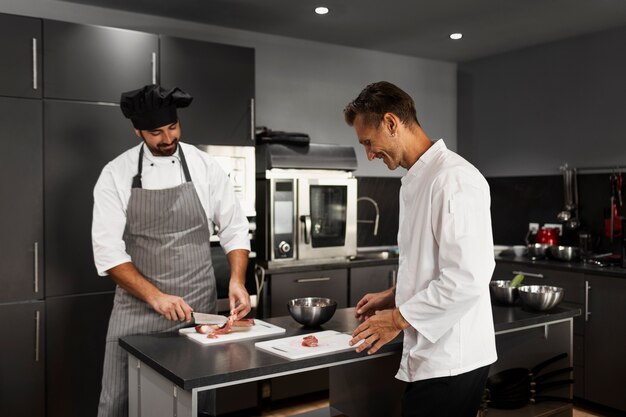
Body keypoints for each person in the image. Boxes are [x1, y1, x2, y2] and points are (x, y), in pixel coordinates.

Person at [92, 84, 251, 417]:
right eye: (155, 132)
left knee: (194, 403)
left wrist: (237, 280)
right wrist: (156, 297)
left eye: (173, 128)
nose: (167, 139)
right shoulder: (116, 174)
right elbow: (108, 253)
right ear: (137, 131)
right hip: (137, 311)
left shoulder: (205, 167)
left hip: (197, 312)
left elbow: (234, 228)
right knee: (118, 402)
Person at [344, 81, 497, 417]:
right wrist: (394, 293)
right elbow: (433, 263)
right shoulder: (419, 177)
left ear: (391, 123)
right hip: (434, 355)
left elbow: (467, 278)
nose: (369, 154)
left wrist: (397, 318)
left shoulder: (453, 179)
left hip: (452, 360)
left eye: (369, 143)